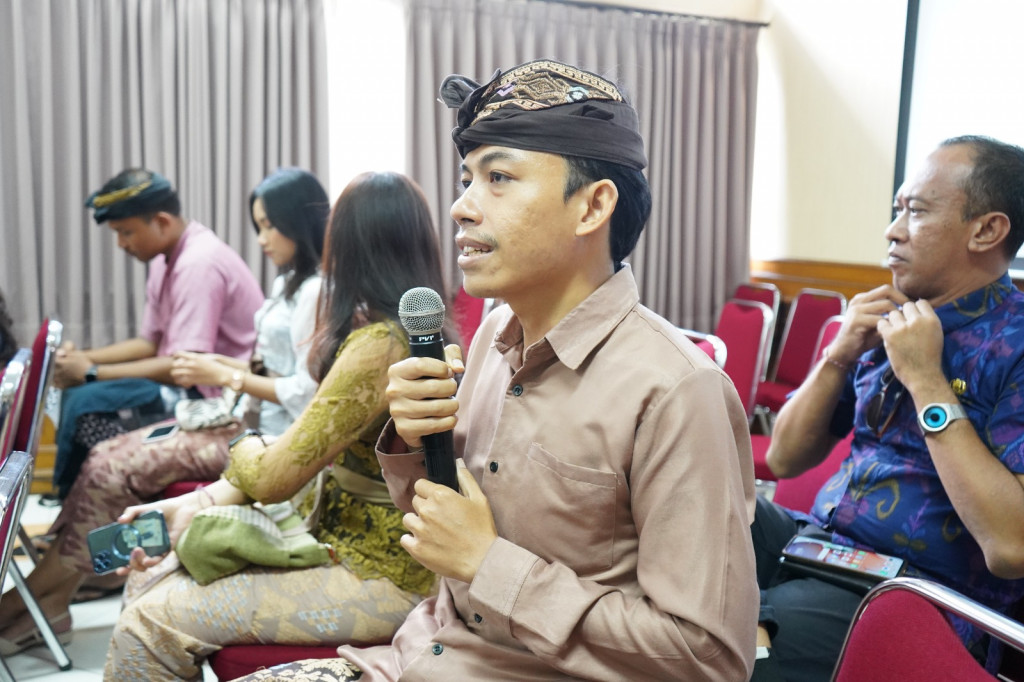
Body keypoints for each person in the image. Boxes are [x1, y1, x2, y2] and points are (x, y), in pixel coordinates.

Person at [243, 58, 759, 681]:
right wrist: (416, 440)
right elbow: (444, 534)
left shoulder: (679, 391)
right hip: (417, 655)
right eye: (467, 180)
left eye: (499, 178)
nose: (460, 207)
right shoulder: (492, 335)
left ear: (592, 206)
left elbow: (708, 657)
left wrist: (490, 564)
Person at [102, 171, 456, 681]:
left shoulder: (379, 345)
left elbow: (273, 476)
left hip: (385, 574)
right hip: (347, 543)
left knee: (148, 623)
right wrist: (195, 501)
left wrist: (243, 441)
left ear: (343, 247)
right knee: (149, 577)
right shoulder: (400, 336)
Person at [0, 168, 328, 655]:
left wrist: (227, 376)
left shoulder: (282, 282)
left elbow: (307, 392)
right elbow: (178, 350)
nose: (260, 239)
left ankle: (49, 593)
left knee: (104, 448)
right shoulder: (286, 283)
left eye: (268, 226)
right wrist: (91, 363)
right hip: (233, 413)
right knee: (104, 456)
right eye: (257, 225)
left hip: (260, 430)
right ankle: (52, 590)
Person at [753, 135, 1024, 681]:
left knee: (719, 639)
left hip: (915, 597)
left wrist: (927, 382)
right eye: (897, 210)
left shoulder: (1014, 344)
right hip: (820, 549)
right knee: (694, 503)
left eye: (916, 212)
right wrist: (838, 355)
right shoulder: (890, 320)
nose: (892, 231)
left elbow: (1011, 546)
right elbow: (783, 459)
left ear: (986, 230)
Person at [50, 168, 264, 499]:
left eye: (126, 232)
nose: (121, 244)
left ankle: (93, 503)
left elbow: (184, 366)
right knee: (79, 392)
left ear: (162, 222)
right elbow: (149, 343)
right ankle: (77, 501)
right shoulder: (166, 259)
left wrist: (91, 372)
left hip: (219, 400)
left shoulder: (198, 263)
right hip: (187, 382)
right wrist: (83, 359)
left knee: (88, 407)